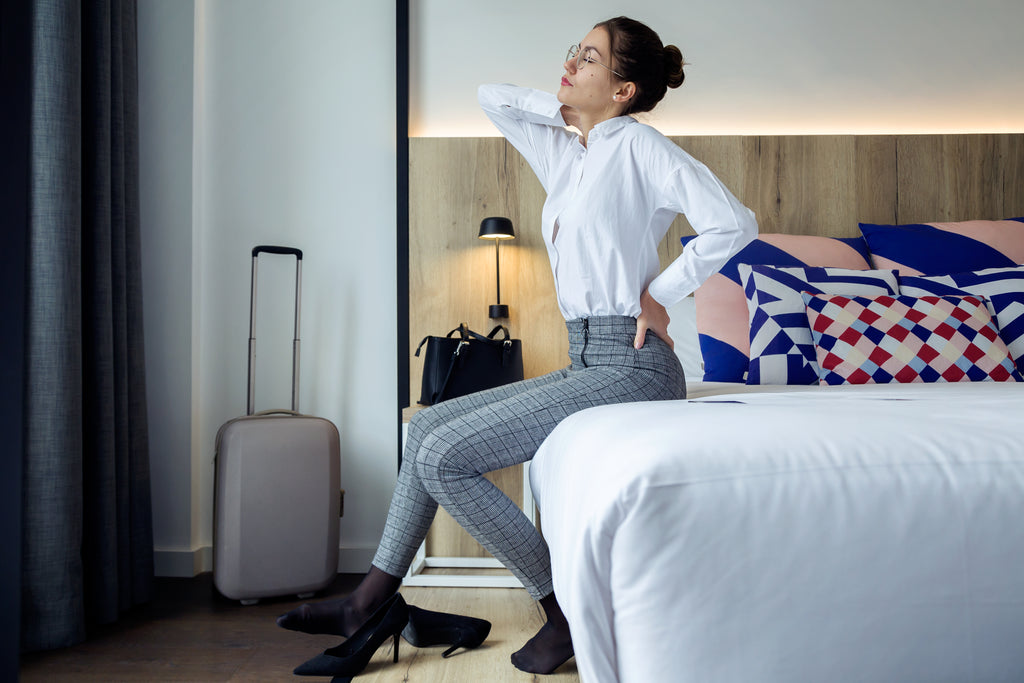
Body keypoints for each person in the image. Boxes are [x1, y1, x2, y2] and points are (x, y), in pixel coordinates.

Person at [277, 15, 757, 677]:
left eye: (589, 59)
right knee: (425, 434)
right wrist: (560, 105)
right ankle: (369, 600)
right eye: (574, 52)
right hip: (588, 354)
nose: (570, 63)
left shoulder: (641, 149)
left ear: (624, 89)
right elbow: (488, 94)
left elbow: (735, 222)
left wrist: (660, 292)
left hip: (636, 363)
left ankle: (562, 610)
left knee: (446, 454)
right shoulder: (568, 153)